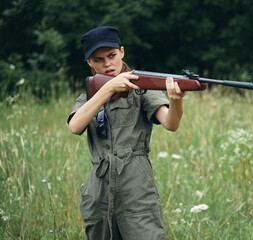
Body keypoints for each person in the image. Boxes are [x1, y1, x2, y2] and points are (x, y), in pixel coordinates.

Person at [67, 26, 185, 240]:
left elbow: (171, 123)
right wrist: (108, 89)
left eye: (112, 55)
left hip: (135, 184)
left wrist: (176, 101)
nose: (107, 64)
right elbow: (75, 126)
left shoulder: (142, 88)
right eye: (98, 59)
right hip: (99, 188)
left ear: (122, 52)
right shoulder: (90, 96)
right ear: (89, 63)